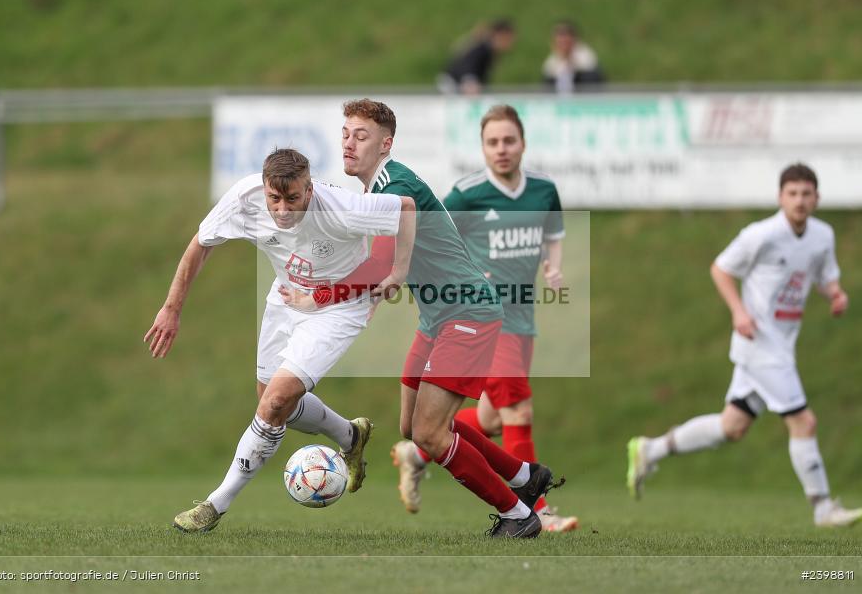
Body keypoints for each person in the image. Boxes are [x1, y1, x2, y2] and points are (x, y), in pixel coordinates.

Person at [288, 98, 562, 537]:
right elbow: (382, 264)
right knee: (412, 427)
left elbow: (378, 267)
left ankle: (517, 515)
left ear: (385, 144)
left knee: (431, 435)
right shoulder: (376, 189)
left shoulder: (396, 188)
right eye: (345, 134)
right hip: (437, 317)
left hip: (468, 312)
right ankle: (525, 478)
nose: (349, 144)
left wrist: (318, 296)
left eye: (361, 136)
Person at [144, 148, 417, 532]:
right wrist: (171, 308)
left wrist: (398, 271)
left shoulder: (341, 206)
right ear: (264, 188)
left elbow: (406, 207)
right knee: (271, 402)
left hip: (339, 307)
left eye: (293, 198)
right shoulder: (245, 197)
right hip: (285, 299)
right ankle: (350, 435)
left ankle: (214, 505)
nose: (283, 209)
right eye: (275, 198)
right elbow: (201, 243)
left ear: (309, 189)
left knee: (275, 402)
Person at [627, 163, 862, 528]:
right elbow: (721, 268)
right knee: (804, 421)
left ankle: (650, 449)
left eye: (806, 194)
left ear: (817, 198)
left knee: (732, 427)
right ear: (779, 197)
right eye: (792, 193)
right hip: (759, 345)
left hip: (783, 346)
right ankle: (822, 508)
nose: (799, 201)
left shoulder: (822, 236)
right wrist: (739, 311)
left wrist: (835, 294)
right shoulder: (761, 234)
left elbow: (824, 275)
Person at [389, 104, 579, 533]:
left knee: (492, 418)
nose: (502, 149)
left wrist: (553, 267)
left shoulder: (544, 190)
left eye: (509, 140)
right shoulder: (467, 193)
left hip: (523, 318)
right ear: (482, 147)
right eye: (492, 142)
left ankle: (420, 450)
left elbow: (553, 234)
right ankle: (539, 511)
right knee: (518, 410)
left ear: (523, 143)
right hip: (483, 318)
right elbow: (434, 236)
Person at [438, 19, 516, 95]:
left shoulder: (488, 50)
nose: (511, 44)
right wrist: (470, 81)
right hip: (453, 87)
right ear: (500, 35)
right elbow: (467, 66)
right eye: (508, 39)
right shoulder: (482, 49)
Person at [541, 20, 605, 93]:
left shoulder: (587, 58)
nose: (563, 42)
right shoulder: (551, 63)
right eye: (560, 38)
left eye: (566, 37)